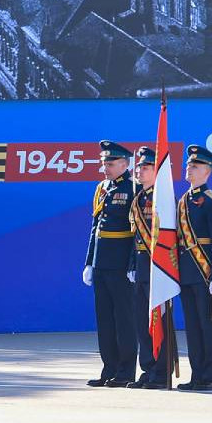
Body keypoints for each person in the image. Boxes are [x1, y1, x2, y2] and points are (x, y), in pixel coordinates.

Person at [83, 140, 138, 387]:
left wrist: (132, 264)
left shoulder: (133, 188)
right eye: (104, 162)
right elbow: (96, 228)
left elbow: (138, 231)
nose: (105, 166)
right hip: (102, 261)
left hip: (121, 263)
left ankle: (126, 371)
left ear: (124, 164)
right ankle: (109, 368)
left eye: (111, 162)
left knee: (124, 319)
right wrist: (89, 262)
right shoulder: (102, 187)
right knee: (104, 318)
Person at [175, 145, 212, 391]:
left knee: (208, 324)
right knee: (192, 326)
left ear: (206, 172)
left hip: (205, 271)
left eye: (194, 166)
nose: (189, 168)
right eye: (188, 165)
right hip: (186, 271)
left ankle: (211, 376)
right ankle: (197, 373)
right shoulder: (183, 200)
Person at [127, 146, 167, 389]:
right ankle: (148, 368)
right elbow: (136, 238)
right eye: (139, 167)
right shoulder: (138, 198)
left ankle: (161, 371)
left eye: (146, 167)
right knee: (142, 322)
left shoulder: (163, 198)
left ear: (156, 171)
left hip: (158, 268)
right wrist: (133, 264)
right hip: (142, 266)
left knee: (157, 322)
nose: (140, 171)